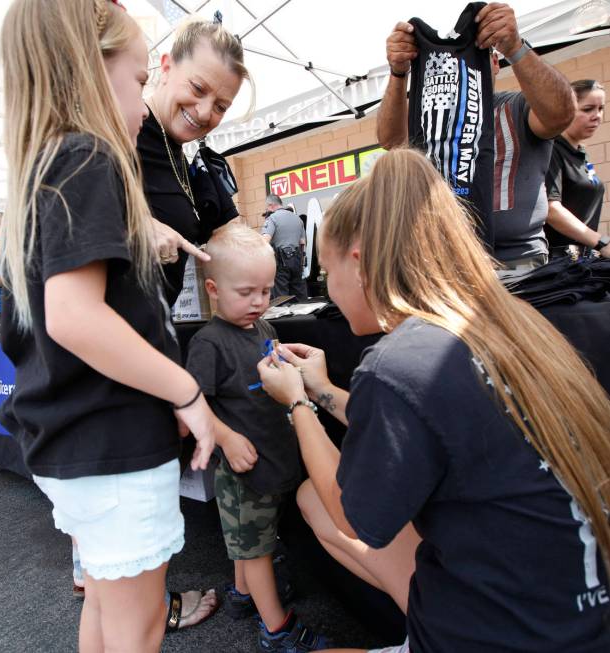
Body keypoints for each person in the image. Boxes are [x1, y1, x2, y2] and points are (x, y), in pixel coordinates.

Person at [257, 148, 610, 653]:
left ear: (357, 262)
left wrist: (296, 404)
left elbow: (356, 518)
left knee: (324, 502)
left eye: (329, 272)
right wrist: (323, 389)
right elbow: (431, 424)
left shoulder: (398, 361)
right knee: (309, 498)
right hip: (571, 618)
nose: (330, 292)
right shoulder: (512, 325)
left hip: (492, 635)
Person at [0, 2, 215, 651]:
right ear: (91, 70)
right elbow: (73, 314)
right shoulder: (90, 156)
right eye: (139, 79)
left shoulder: (49, 164)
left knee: (105, 606)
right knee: (138, 626)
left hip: (79, 448)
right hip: (114, 442)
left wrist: (144, 229)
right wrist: (187, 391)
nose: (147, 104)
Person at [185, 222, 327, 652]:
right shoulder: (208, 343)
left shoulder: (264, 329)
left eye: (265, 291)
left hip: (272, 460)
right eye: (246, 292)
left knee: (251, 542)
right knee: (257, 551)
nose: (259, 302)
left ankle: (243, 595)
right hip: (244, 473)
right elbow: (192, 405)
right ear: (213, 288)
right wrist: (226, 437)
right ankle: (277, 629)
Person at [377, 2, 575, 269]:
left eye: (465, 58)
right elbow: (391, 142)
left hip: (514, 261)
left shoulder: (516, 106)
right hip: (446, 259)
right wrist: (398, 73)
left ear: (493, 61)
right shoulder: (431, 114)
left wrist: (515, 47)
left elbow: (561, 113)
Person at [143, 16, 252, 305]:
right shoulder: (125, 131)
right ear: (166, 67)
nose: (204, 113)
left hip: (153, 333)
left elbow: (227, 235)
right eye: (197, 88)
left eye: (220, 106)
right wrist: (133, 222)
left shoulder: (182, 154)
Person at [545, 79, 609, 259]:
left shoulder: (581, 154)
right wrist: (601, 241)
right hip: (559, 263)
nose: (597, 115)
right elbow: (551, 209)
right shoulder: (552, 149)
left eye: (600, 108)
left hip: (586, 258)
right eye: (588, 109)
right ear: (566, 110)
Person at [262, 194, 308, 300]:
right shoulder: (298, 219)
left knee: (281, 299)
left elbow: (265, 241)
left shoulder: (272, 218)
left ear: (271, 205)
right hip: (297, 261)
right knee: (300, 297)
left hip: (280, 262)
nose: (267, 210)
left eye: (267, 208)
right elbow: (302, 243)